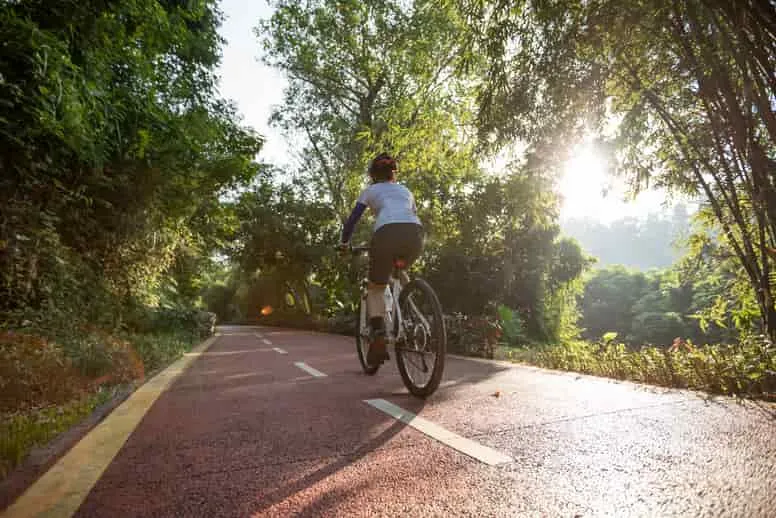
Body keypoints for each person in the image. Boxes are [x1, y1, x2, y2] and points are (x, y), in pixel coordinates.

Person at [339, 153, 424, 366]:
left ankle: (378, 334)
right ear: (392, 174)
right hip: (415, 235)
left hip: (386, 235)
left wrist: (344, 244)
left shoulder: (370, 191)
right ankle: (412, 308)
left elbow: (351, 221)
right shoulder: (405, 190)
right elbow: (409, 215)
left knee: (376, 287)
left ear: (372, 175)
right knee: (400, 268)